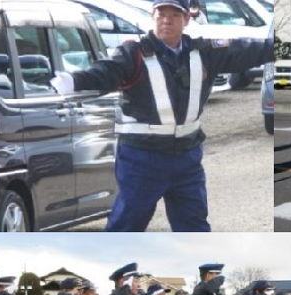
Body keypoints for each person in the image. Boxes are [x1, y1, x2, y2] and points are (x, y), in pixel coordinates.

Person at [48, 0, 274, 232]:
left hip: (187, 157)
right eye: (161, 14)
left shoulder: (204, 52)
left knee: (194, 226)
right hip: (142, 158)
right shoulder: (133, 53)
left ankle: (195, 268)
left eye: (175, 15)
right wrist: (75, 81)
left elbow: (250, 50)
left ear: (186, 20)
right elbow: (107, 72)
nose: (167, 20)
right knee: (127, 224)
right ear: (152, 17)